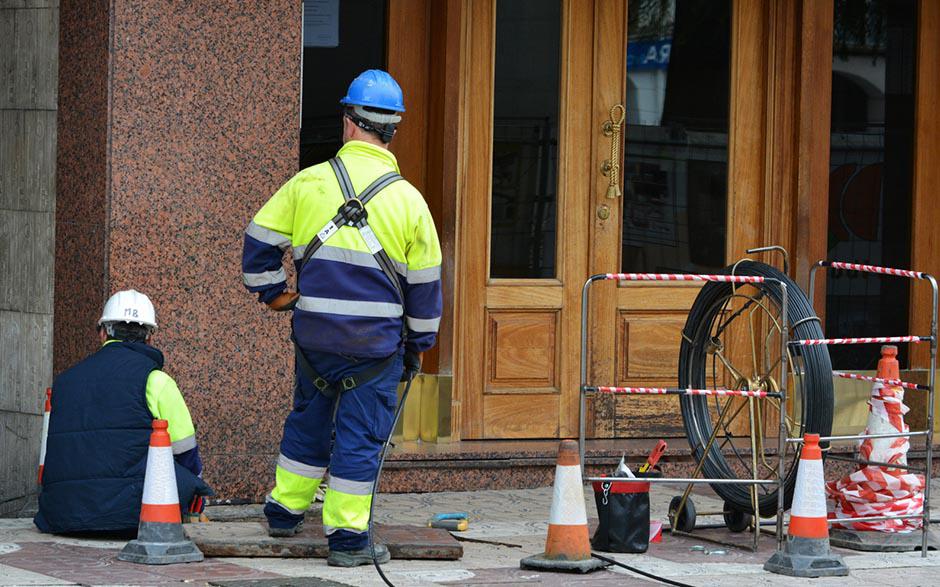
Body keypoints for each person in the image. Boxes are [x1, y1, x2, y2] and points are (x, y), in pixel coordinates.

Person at [241, 69, 442, 567]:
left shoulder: (307, 183)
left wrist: (273, 296)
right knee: (361, 439)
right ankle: (349, 540)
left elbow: (256, 247)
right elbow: (425, 289)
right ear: (392, 128)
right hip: (374, 349)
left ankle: (284, 512)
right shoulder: (410, 201)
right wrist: (419, 344)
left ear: (349, 122)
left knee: (308, 422)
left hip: (315, 339)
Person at [34, 290, 212, 534]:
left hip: (61, 516)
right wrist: (194, 496)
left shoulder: (64, 382)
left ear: (103, 333)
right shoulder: (156, 380)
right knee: (184, 475)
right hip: (135, 516)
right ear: (150, 338)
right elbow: (186, 452)